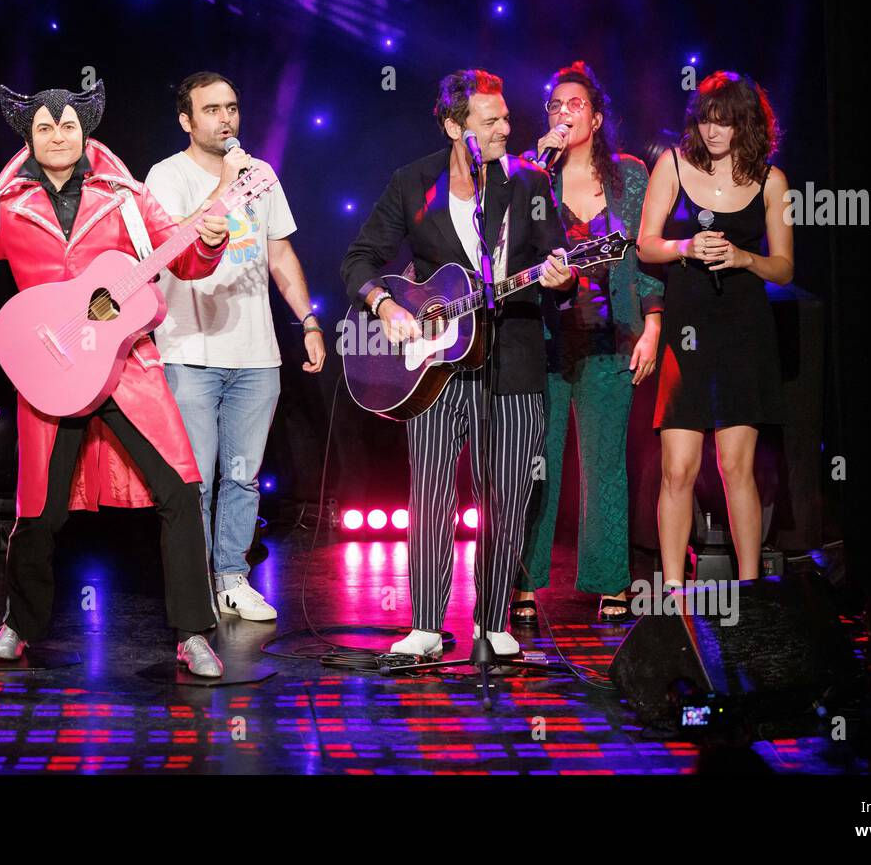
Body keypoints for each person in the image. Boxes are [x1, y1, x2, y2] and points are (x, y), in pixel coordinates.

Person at [0, 82, 230, 677]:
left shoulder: (127, 198)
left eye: (69, 126)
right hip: (53, 373)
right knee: (38, 513)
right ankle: (19, 624)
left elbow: (185, 261)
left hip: (128, 369)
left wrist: (210, 238)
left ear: (86, 133)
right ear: (29, 137)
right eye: (46, 127)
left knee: (181, 492)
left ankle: (194, 634)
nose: (58, 136)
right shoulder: (9, 207)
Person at [340, 69, 576, 658]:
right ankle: (424, 623)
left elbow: (558, 267)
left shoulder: (530, 183)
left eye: (504, 118)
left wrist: (563, 277)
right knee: (432, 491)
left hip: (515, 359)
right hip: (435, 369)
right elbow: (359, 260)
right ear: (454, 126)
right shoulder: (411, 181)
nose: (506, 128)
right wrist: (386, 304)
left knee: (508, 493)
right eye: (489, 120)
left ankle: (494, 621)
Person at [145, 72, 324, 622]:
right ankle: (193, 584)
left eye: (232, 107)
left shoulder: (262, 174)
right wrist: (225, 182)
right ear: (187, 121)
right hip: (189, 352)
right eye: (212, 110)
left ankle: (232, 577)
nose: (225, 119)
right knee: (192, 479)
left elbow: (279, 254)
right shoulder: (166, 176)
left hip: (255, 355)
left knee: (243, 476)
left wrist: (309, 319)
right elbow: (175, 244)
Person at [513, 61, 663, 625]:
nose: (563, 112)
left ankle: (609, 581)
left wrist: (653, 324)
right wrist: (529, 165)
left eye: (574, 104)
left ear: (596, 118)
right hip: (545, 339)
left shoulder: (629, 176)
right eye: (554, 105)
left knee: (603, 464)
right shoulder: (532, 177)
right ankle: (524, 582)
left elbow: (645, 256)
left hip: (610, 337)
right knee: (536, 464)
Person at [636, 70, 794, 589]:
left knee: (735, 467)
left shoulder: (771, 181)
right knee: (677, 468)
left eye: (724, 122)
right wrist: (685, 248)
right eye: (706, 120)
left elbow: (784, 267)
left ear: (746, 124)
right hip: (688, 332)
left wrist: (746, 257)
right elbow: (646, 245)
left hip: (744, 333)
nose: (713, 132)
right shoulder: (673, 165)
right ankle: (673, 594)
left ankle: (751, 593)